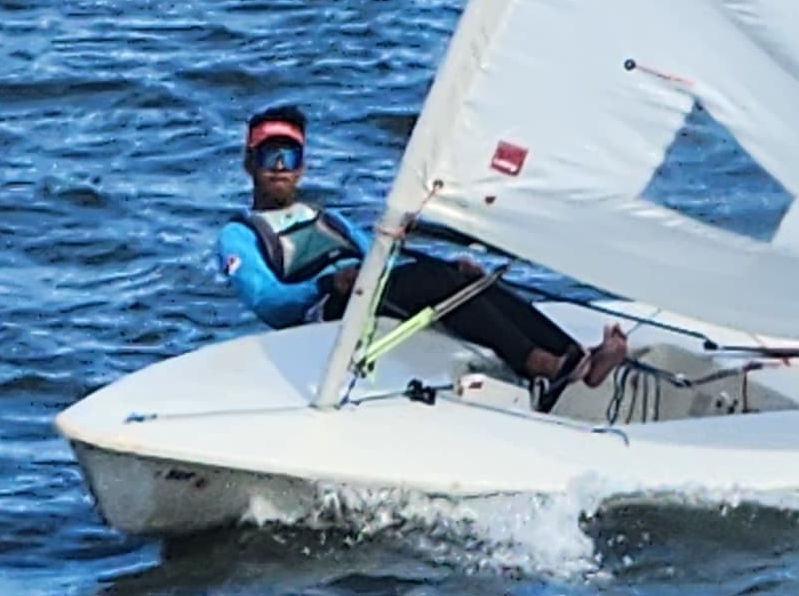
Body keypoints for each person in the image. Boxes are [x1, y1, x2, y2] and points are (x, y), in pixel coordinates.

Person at [212, 105, 628, 404]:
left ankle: (575, 356)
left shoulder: (327, 218)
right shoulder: (239, 234)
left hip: (370, 288)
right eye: (269, 157)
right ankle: (539, 363)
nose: (280, 167)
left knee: (466, 279)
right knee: (438, 282)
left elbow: (387, 261)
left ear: (302, 166)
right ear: (250, 163)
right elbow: (269, 302)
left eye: (290, 157)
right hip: (325, 308)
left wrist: (445, 266)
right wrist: (327, 283)